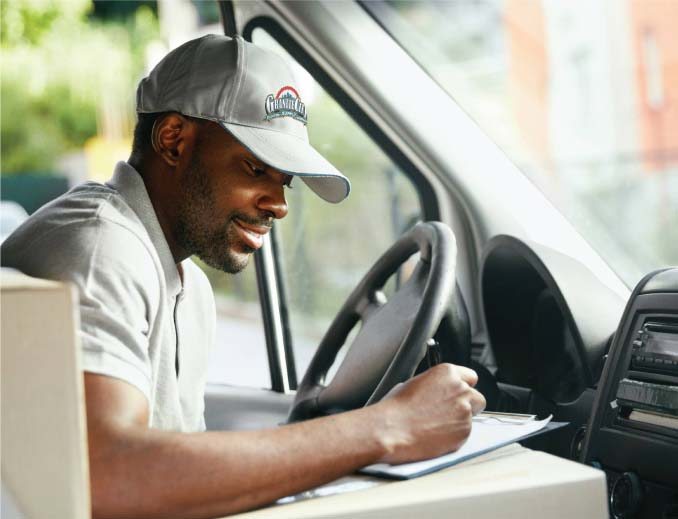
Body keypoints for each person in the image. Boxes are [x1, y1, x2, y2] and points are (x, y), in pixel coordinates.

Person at [1, 34, 485, 518]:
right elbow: (108, 474)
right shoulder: (102, 247)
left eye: (285, 182)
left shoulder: (187, 289)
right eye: (256, 168)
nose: (279, 204)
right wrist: (388, 426)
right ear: (173, 139)